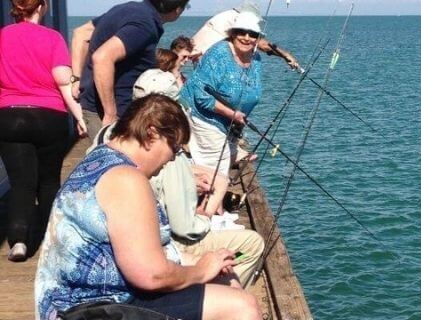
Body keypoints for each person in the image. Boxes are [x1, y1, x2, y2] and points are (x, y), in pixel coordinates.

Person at [35, 94, 261, 320]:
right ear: (151, 134)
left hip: (74, 302)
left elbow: (136, 253)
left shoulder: (100, 160)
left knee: (225, 280)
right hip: (91, 310)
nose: (172, 159)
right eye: (174, 147)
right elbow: (151, 275)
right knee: (243, 306)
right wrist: (201, 270)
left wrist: (205, 262)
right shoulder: (127, 180)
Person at [90, 73, 265, 289]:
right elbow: (184, 229)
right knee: (251, 245)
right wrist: (205, 218)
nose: (173, 155)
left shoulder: (109, 136)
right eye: (174, 146)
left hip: (123, 253)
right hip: (159, 250)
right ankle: (217, 291)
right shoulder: (148, 165)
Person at [0, 0, 87, 262]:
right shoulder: (52, 38)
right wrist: (80, 116)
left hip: (9, 114)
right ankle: (53, 238)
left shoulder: (2, 37)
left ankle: (18, 241)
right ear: (42, 7)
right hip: (49, 116)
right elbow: (62, 80)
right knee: (48, 180)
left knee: (20, 183)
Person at [180, 12, 263, 216]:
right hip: (205, 118)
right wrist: (230, 113)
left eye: (252, 34)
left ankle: (212, 210)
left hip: (231, 124)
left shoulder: (257, 58)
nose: (246, 37)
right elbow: (201, 95)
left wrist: (236, 118)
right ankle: (206, 216)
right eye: (241, 32)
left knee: (223, 165)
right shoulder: (218, 54)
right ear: (232, 34)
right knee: (213, 172)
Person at [70, 0, 189, 139]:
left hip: (94, 106)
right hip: (115, 114)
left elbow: (81, 33)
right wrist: (110, 114)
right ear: (177, 10)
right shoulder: (145, 25)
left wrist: (77, 78)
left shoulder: (127, 9)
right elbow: (102, 57)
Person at [191, 2, 299, 70]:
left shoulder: (225, 16)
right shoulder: (235, 19)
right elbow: (262, 44)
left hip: (198, 57)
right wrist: (286, 55)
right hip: (204, 60)